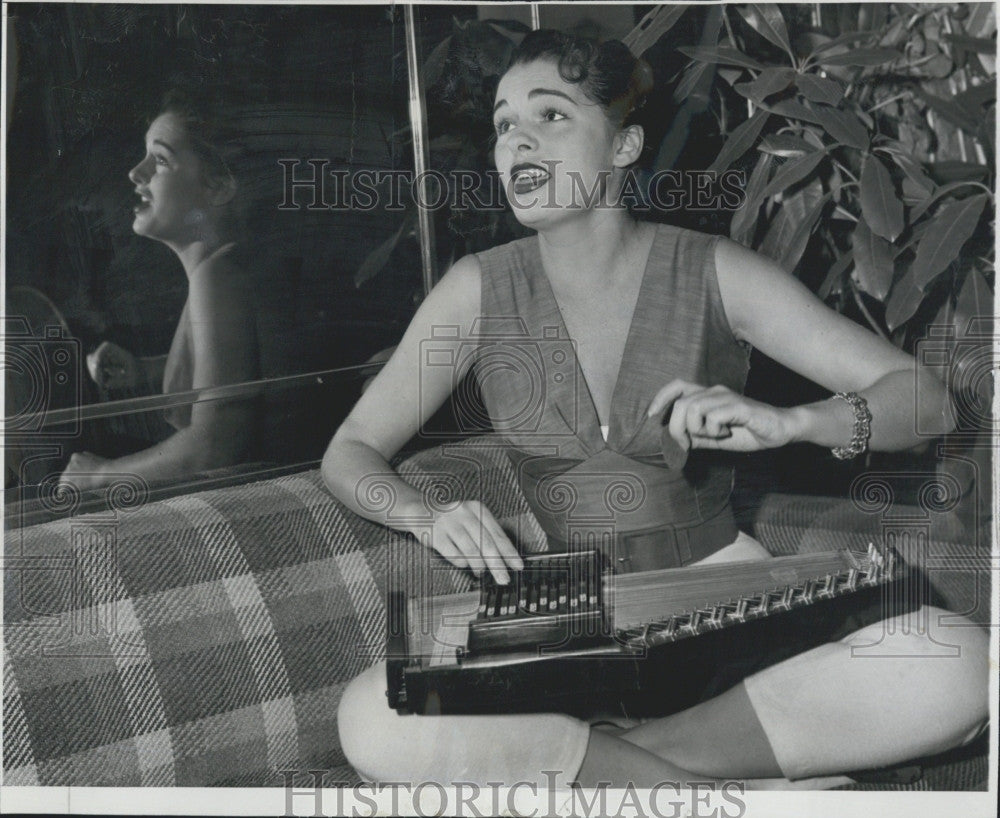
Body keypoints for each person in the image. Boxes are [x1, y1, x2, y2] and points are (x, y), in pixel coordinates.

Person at [322, 31, 988, 789]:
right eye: (505, 125)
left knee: (956, 667)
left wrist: (796, 421)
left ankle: (624, 773)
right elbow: (350, 451)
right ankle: (735, 792)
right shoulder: (475, 290)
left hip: (726, 597)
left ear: (624, 144)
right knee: (373, 714)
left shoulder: (713, 271)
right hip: (568, 623)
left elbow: (927, 401)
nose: (517, 142)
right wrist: (425, 516)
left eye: (551, 116)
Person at [59, 89, 259, 492]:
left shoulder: (217, 278)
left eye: (161, 159)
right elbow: (229, 372)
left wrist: (99, 475)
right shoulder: (216, 270)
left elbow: (214, 448)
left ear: (217, 187)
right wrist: (145, 369)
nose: (136, 172)